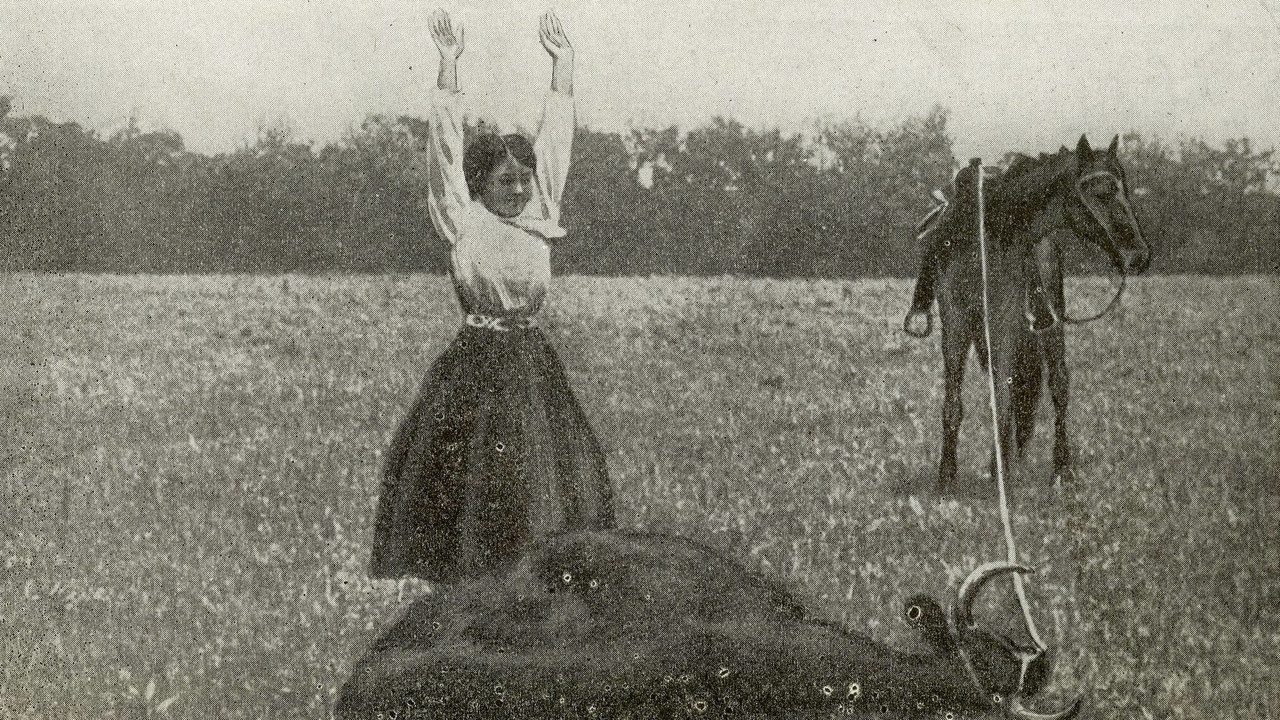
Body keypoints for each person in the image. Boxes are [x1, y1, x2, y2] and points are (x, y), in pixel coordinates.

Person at [369, 9, 614, 581]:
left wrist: (564, 69)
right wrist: (449, 65)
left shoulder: (540, 215)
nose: (519, 188)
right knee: (468, 472)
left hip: (531, 361)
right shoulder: (462, 220)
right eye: (506, 181)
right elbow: (444, 148)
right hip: (476, 364)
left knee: (546, 471)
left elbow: (556, 142)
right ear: (479, 187)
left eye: (524, 180)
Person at [903, 163, 1063, 338]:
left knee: (1021, 249)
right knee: (938, 244)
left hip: (992, 199)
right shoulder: (960, 197)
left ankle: (1039, 307)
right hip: (969, 193)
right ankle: (922, 304)